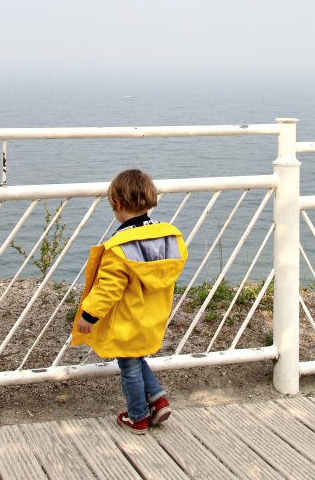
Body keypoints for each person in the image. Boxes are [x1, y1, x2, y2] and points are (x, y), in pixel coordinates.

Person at [72, 168, 187, 434]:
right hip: (153, 315)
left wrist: (89, 316)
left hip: (126, 319)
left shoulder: (120, 246)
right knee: (136, 358)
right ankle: (158, 399)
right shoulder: (167, 238)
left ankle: (138, 416)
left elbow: (109, 288)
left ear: (117, 204)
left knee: (129, 366)